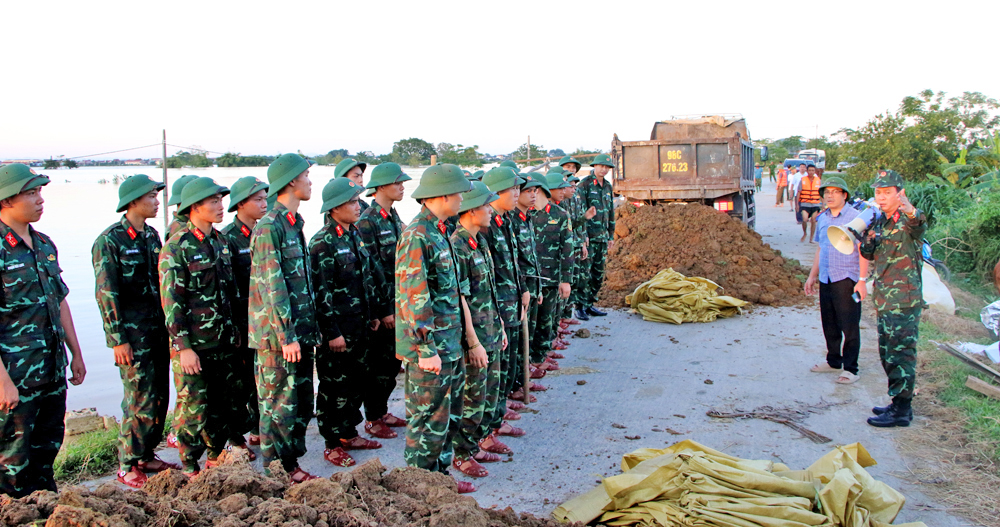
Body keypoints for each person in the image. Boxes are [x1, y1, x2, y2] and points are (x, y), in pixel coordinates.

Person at [0, 164, 87, 498]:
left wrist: (76, 354)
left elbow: (60, 302)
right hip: (15, 377)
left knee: (46, 453)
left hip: (50, 369)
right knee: (12, 464)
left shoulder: (44, 243)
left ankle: (46, 511)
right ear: (7, 200)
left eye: (40, 192)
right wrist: (4, 383)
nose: (40, 200)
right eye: (31, 193)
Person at [92, 174, 178, 489]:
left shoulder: (152, 237)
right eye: (152, 197)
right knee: (138, 396)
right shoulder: (110, 240)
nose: (157, 202)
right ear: (133, 201)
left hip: (156, 331)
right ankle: (127, 462)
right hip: (131, 335)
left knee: (158, 396)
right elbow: (106, 294)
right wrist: (118, 340)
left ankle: (146, 454)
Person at [395, 164, 475, 493]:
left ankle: (439, 480)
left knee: (446, 419)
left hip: (449, 343)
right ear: (441, 196)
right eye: (457, 194)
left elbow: (449, 293)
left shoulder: (440, 230)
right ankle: (417, 489)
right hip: (431, 350)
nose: (461, 200)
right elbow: (414, 297)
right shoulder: (417, 235)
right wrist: (425, 348)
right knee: (427, 420)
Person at [158, 177, 241, 478]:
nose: (220, 207)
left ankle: (216, 458)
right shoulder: (176, 248)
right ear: (195, 206)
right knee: (193, 408)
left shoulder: (221, 242)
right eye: (213, 202)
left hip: (222, 342)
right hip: (194, 346)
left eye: (220, 200)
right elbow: (172, 303)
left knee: (222, 405)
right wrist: (184, 348)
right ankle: (189, 466)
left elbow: (229, 294)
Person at [249, 153, 321, 482]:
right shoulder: (269, 227)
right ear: (291, 181)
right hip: (279, 339)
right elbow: (271, 284)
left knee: (300, 403)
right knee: (278, 404)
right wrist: (286, 335)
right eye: (306, 175)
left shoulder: (295, 224)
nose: (310, 181)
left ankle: (290, 463)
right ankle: (277, 471)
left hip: (299, 334)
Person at [310, 178, 389, 467]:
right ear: (334, 207)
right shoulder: (322, 243)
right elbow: (321, 293)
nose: (358, 207)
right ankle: (332, 443)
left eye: (358, 201)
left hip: (360, 327)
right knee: (334, 388)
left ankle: (349, 433)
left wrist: (374, 315)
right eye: (352, 202)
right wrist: (331, 332)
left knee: (357, 383)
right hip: (338, 333)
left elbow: (367, 278)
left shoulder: (354, 234)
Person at [449, 181, 507, 479]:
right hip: (475, 337)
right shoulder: (457, 245)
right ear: (471, 211)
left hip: (490, 330)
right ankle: (462, 454)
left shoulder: (478, 240)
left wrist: (498, 326)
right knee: (472, 397)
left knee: (488, 393)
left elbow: (489, 291)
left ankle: (476, 443)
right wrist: (473, 342)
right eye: (485, 206)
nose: (489, 210)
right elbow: (460, 299)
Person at [860, 170, 926, 428]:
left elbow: (919, 222)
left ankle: (901, 410)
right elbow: (870, 253)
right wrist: (866, 239)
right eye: (878, 192)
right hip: (885, 298)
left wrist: (909, 208)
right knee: (888, 353)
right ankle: (897, 402)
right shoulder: (881, 221)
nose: (882, 197)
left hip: (904, 300)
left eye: (888, 192)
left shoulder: (908, 220)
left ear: (900, 194)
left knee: (902, 355)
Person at [356, 163, 411, 436]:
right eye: (397, 183)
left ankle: (382, 411)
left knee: (392, 364)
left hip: (398, 303)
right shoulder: (367, 221)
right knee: (379, 365)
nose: (402, 187)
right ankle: (373, 417)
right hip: (385, 308)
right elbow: (370, 270)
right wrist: (383, 309)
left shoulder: (391, 215)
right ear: (380, 187)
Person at [481, 168, 529, 445]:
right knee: (496, 367)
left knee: (507, 364)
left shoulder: (505, 221)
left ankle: (499, 412)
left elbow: (513, 261)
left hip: (511, 301)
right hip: (494, 307)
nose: (517, 194)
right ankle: (492, 423)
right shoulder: (485, 226)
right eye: (512, 189)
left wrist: (522, 288)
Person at [803, 177, 868, 385]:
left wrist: (862, 280)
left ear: (844, 195)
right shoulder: (823, 218)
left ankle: (851, 368)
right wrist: (812, 276)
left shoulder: (856, 219)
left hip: (847, 277)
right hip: (827, 277)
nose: (829, 196)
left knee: (849, 324)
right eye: (826, 192)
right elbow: (821, 248)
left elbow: (863, 251)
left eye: (835, 192)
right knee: (829, 322)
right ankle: (833, 361)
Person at [221, 176, 269, 450]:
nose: (264, 204)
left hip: (260, 322)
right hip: (240, 322)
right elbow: (226, 287)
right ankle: (235, 438)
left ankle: (256, 428)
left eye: (265, 198)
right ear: (240, 204)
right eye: (258, 199)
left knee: (257, 380)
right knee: (238, 383)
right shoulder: (229, 238)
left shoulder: (264, 232)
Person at [509, 173, 546, 407]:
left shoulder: (527, 218)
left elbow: (531, 256)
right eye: (527, 191)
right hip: (517, 288)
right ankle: (515, 385)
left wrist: (538, 287)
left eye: (535, 191)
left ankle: (522, 377)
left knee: (527, 334)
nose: (533, 195)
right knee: (515, 341)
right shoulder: (510, 220)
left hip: (530, 286)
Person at [530, 172, 573, 369]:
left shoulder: (560, 215)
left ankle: (541, 356)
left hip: (550, 278)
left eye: (533, 190)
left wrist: (566, 280)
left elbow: (567, 250)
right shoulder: (524, 215)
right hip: (531, 280)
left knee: (547, 319)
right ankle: (534, 360)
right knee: (532, 324)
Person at [579, 154, 615, 318]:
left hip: (602, 237)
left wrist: (611, 236)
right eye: (601, 166)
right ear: (595, 166)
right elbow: (580, 212)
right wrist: (583, 236)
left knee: (598, 273)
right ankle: (580, 306)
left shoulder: (607, 186)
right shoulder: (584, 185)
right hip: (589, 237)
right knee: (585, 273)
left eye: (607, 167)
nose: (604, 169)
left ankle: (590, 303)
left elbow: (611, 212)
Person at [796, 165, 823, 242]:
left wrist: (823, 204)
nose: (811, 172)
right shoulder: (803, 180)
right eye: (810, 170)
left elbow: (821, 193)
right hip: (805, 203)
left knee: (813, 220)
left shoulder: (818, 180)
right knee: (804, 219)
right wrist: (797, 204)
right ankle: (805, 233)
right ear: (807, 171)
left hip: (815, 204)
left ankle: (811, 238)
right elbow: (798, 193)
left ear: (815, 171)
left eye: (813, 170)